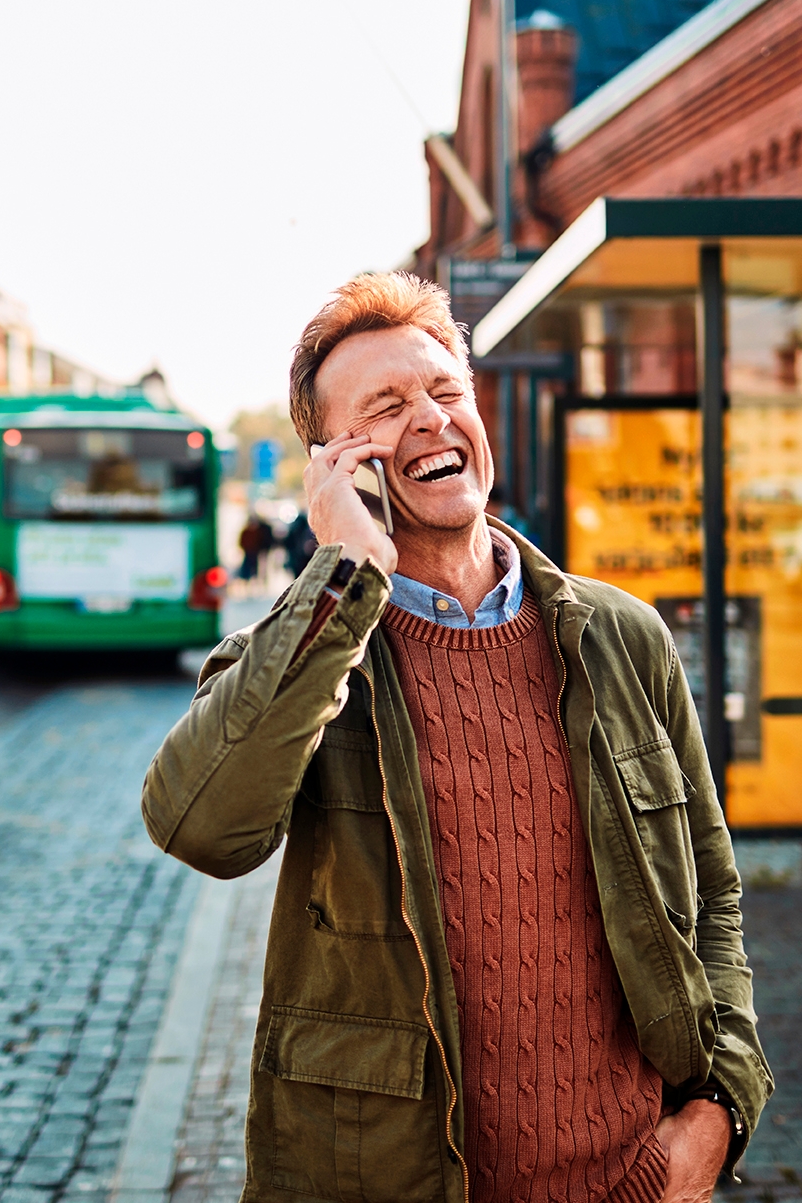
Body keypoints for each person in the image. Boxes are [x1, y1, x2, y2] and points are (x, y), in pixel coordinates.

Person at [142, 273, 767, 1201]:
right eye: (387, 408)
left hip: (629, 1184)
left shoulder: (620, 637)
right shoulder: (303, 659)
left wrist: (722, 1107)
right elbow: (200, 827)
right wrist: (347, 571)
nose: (431, 420)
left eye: (445, 392)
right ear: (334, 464)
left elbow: (711, 892)